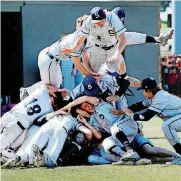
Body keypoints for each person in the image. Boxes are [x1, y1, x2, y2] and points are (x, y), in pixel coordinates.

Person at [121, 77, 181, 165]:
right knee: (167, 125)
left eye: (143, 90)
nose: (142, 92)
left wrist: (131, 114)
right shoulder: (154, 96)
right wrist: (124, 110)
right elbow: (140, 105)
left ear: (148, 90)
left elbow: (145, 117)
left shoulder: (160, 98)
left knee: (167, 126)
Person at [0, 83, 67, 155]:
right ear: (56, 105)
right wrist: (57, 112)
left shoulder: (42, 93)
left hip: (9, 115)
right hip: (17, 125)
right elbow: (38, 121)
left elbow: (46, 86)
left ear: (52, 94)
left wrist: (59, 90)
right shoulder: (50, 110)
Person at [61, 7, 128, 78]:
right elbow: (81, 42)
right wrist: (72, 49)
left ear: (105, 15)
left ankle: (122, 78)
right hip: (96, 52)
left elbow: (123, 40)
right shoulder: (88, 23)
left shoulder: (113, 19)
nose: (99, 24)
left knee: (117, 64)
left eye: (101, 21)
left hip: (112, 49)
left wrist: (116, 54)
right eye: (96, 22)